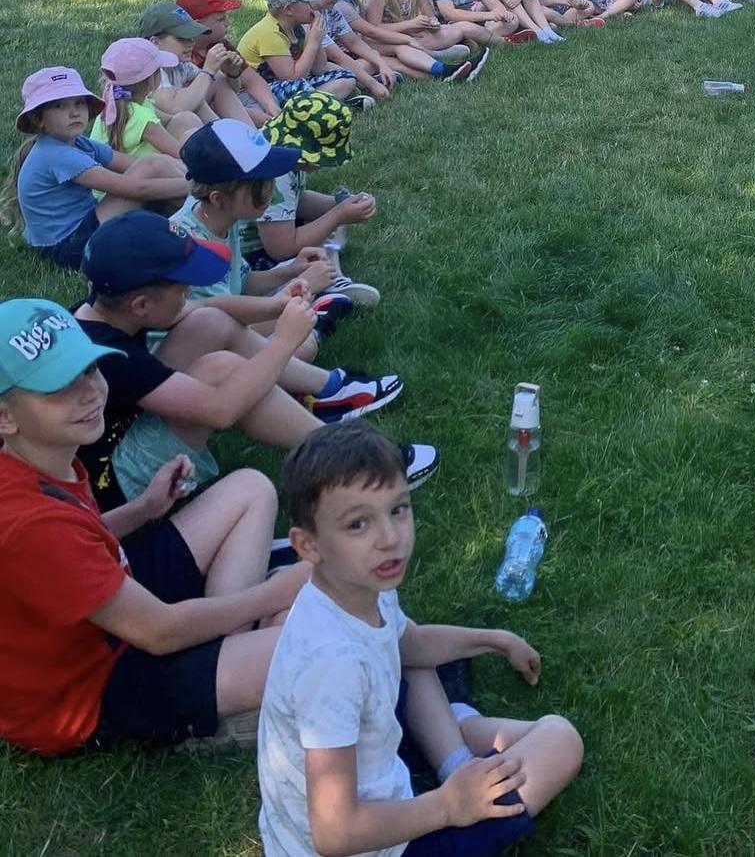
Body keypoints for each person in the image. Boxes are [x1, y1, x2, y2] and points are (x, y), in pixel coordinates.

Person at [0, 296, 312, 757]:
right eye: (57, 387)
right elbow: (158, 632)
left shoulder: (37, 459)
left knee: (250, 488)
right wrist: (275, 593)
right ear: (5, 417)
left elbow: (74, 547)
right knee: (323, 638)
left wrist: (143, 510)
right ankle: (223, 691)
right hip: (90, 689)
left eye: (89, 369)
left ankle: (228, 652)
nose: (89, 392)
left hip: (104, 616)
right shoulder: (30, 520)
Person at [258, 423, 583, 857]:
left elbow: (410, 646)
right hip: (377, 844)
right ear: (308, 545)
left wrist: (496, 639)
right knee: (561, 740)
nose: (391, 539)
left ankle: (457, 757)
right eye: (358, 524)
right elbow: (334, 833)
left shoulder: (357, 588)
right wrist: (449, 805)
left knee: (415, 662)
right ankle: (459, 752)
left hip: (377, 775)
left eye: (398, 509)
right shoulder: (332, 662)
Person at [73, 212, 426, 510]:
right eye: (182, 289)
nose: (188, 294)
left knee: (209, 324)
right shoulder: (111, 357)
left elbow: (202, 308)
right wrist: (283, 342)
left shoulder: (103, 312)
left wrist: (274, 305)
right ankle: (355, 465)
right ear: (141, 306)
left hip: (122, 426)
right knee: (223, 373)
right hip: (113, 488)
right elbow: (220, 410)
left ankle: (329, 395)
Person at [1, 67, 187, 271]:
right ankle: (203, 208)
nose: (74, 112)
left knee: (153, 164)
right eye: (59, 106)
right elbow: (136, 189)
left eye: (79, 103)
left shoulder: (78, 143)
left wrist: (183, 177)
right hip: (71, 247)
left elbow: (132, 164)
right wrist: (194, 185)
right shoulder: (57, 155)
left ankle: (201, 207)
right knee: (154, 168)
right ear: (39, 120)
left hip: (83, 229)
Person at [239, 92, 379, 298]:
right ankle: (321, 289)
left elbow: (296, 200)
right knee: (320, 234)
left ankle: (329, 275)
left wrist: (337, 204)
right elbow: (280, 248)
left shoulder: (285, 158)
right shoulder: (276, 174)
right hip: (249, 260)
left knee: (322, 225)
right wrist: (337, 215)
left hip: (265, 238)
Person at [332, 0, 474, 84]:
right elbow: (370, 31)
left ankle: (444, 71)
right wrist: (407, 38)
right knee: (395, 55)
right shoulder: (342, 5)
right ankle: (442, 71)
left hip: (360, 45)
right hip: (351, 52)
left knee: (396, 55)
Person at [237, 0, 361, 106]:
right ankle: (317, 105)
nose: (312, 7)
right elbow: (292, 78)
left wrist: (316, 39)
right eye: (306, 3)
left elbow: (319, 69)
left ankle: (318, 103)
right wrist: (312, 43)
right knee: (301, 86)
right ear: (288, 9)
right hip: (258, 92)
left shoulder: (297, 27)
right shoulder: (270, 33)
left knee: (346, 76)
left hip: (287, 84)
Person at [177, 0, 282, 124]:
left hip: (231, 101)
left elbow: (250, 79)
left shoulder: (219, 44)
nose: (228, 23)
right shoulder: (182, 53)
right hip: (199, 113)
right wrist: (249, 114)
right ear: (197, 25)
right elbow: (194, 103)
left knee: (268, 101)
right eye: (220, 19)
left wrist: (270, 104)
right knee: (220, 82)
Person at [140, 2, 254, 126]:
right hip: (159, 131)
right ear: (155, 42)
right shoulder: (149, 68)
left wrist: (232, 74)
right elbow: (174, 108)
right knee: (189, 114)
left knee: (218, 80)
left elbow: (231, 90)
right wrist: (208, 71)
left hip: (177, 126)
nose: (191, 43)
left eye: (191, 37)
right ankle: (223, 134)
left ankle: (244, 135)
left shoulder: (181, 64)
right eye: (182, 38)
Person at [302, 0, 395, 104]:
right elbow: (337, 56)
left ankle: (357, 86)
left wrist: (381, 64)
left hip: (321, 68)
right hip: (304, 74)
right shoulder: (306, 16)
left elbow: (353, 42)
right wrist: (373, 85)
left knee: (366, 64)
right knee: (347, 79)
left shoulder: (329, 10)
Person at [90, 37, 202, 160]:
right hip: (137, 170)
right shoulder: (142, 118)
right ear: (151, 80)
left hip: (122, 167)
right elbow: (180, 154)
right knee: (191, 139)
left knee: (186, 119)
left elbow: (171, 120)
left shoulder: (114, 102)